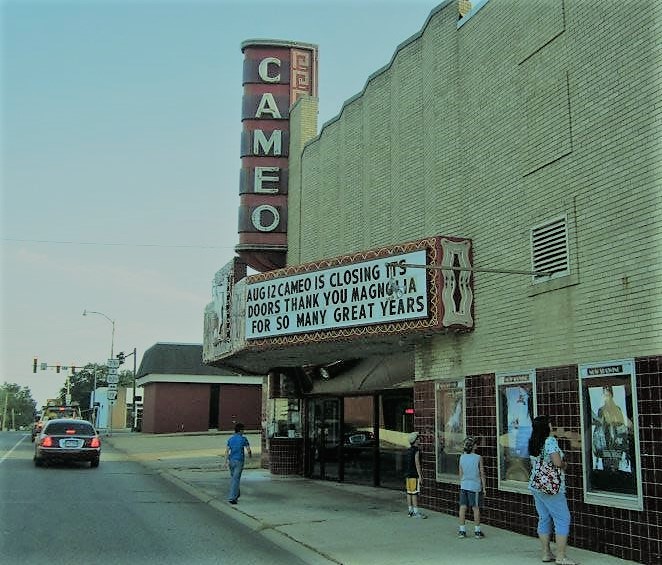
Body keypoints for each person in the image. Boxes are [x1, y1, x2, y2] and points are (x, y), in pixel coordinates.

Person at [528, 415, 575, 565]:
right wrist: (564, 464)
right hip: (552, 487)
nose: (551, 425)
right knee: (563, 518)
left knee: (544, 518)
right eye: (550, 423)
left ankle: (546, 553)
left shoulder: (533, 441)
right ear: (546, 426)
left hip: (536, 485)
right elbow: (556, 462)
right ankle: (561, 556)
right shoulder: (550, 441)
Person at [458, 436, 486, 538]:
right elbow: (482, 473)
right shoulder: (478, 457)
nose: (477, 445)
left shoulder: (462, 457)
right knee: (475, 508)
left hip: (464, 485)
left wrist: (463, 482)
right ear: (473, 446)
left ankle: (462, 530)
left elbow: (460, 473)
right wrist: (484, 487)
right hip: (474, 486)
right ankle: (477, 531)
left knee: (462, 507)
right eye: (475, 443)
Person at [225, 422, 252, 504]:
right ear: (240, 430)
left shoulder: (230, 439)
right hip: (239, 461)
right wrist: (250, 456)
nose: (244, 431)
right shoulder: (243, 439)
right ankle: (232, 498)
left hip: (231, 461)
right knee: (236, 479)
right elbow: (248, 450)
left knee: (234, 478)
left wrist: (225, 461)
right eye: (243, 430)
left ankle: (236, 493)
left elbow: (227, 451)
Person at [405, 431, 427, 518]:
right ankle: (416, 512)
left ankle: (410, 511)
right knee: (414, 493)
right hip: (414, 475)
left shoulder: (408, 450)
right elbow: (417, 463)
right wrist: (420, 476)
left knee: (409, 492)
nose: (419, 440)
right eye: (418, 438)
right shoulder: (416, 451)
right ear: (415, 440)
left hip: (408, 474)